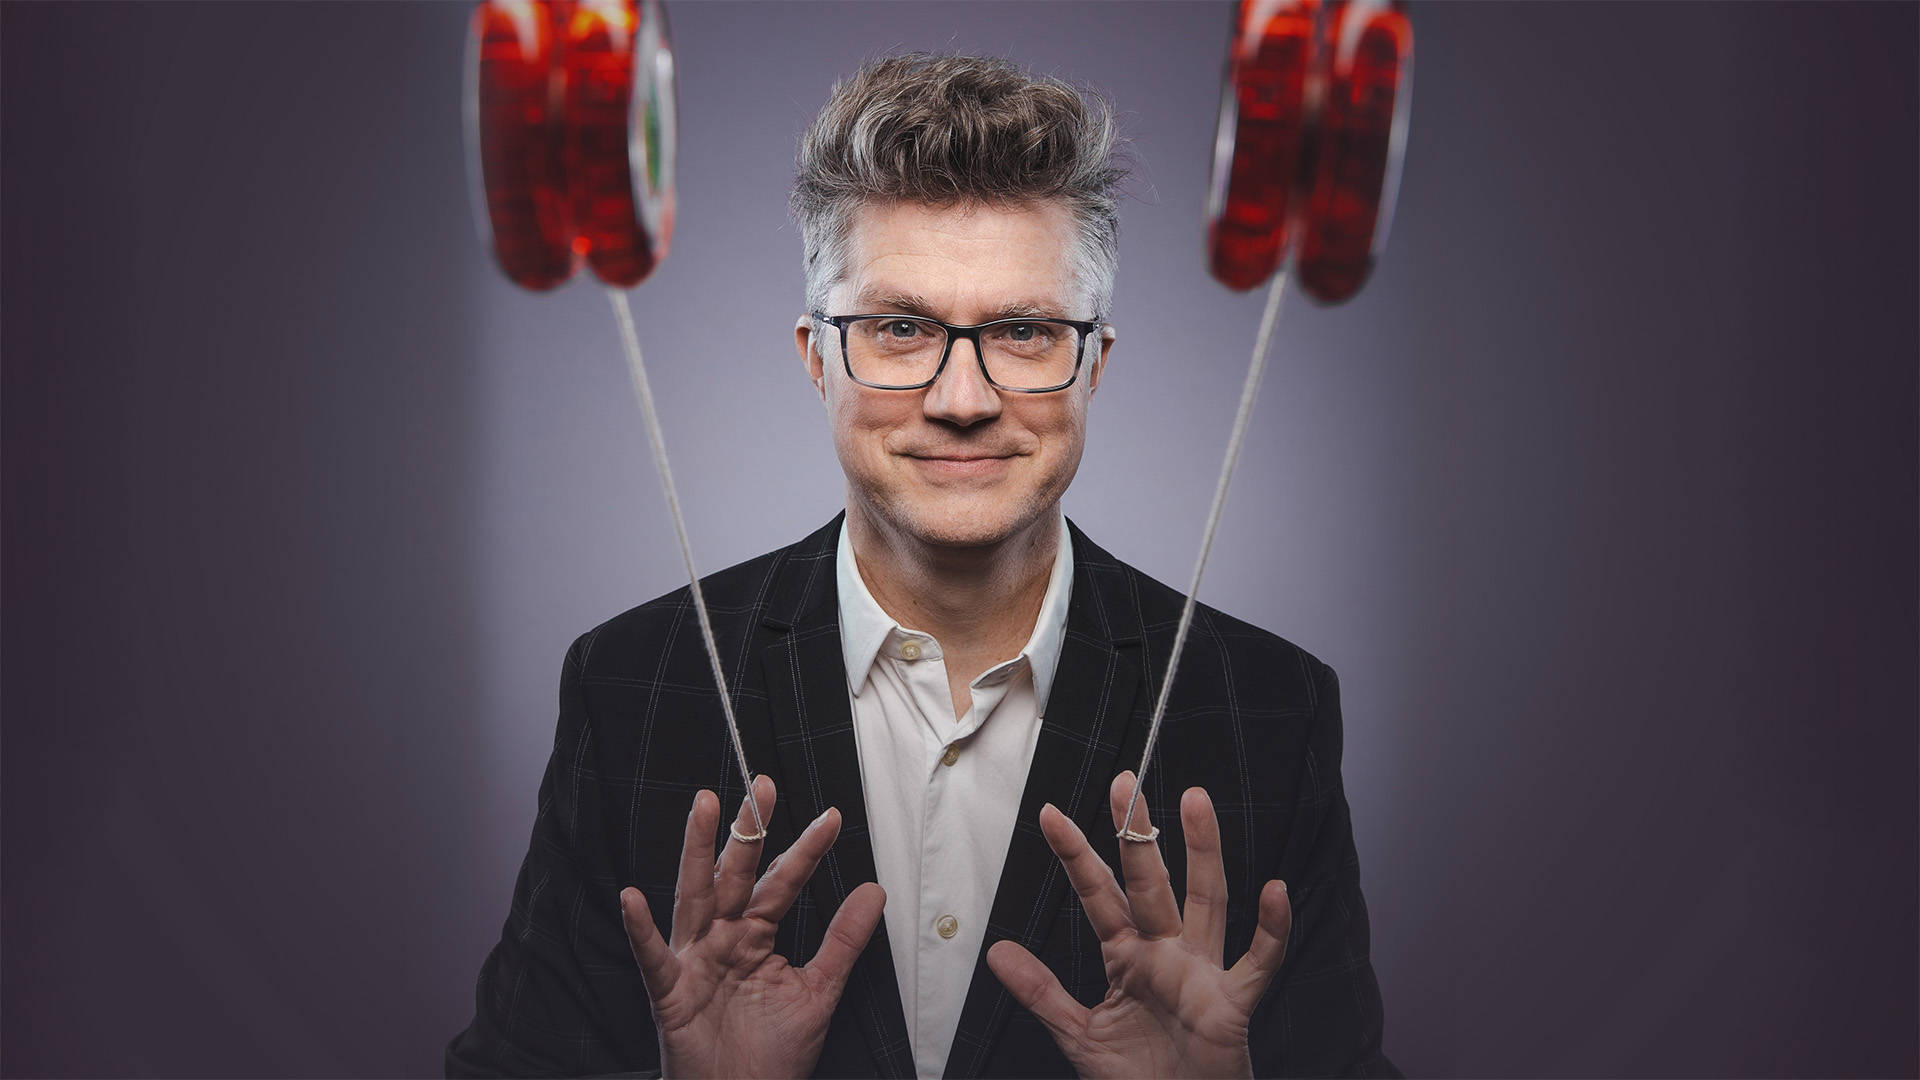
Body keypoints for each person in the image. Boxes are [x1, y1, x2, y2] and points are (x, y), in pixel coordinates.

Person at [446, 53, 1396, 1080]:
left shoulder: (1266, 708)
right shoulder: (633, 685)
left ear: (1095, 366)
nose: (960, 398)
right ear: (817, 358)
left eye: (1024, 331)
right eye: (901, 329)